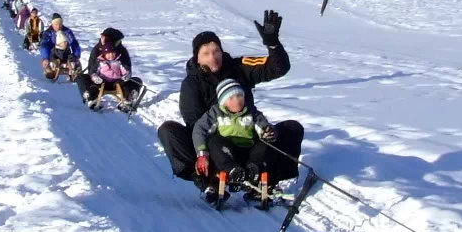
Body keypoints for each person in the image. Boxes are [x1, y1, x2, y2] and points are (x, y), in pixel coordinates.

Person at [156, 11, 305, 191]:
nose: (213, 57)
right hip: (214, 146)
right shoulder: (191, 83)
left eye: (216, 51)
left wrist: (272, 44)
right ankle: (206, 178)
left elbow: (277, 68)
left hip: (248, 138)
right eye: (206, 53)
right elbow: (195, 123)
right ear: (197, 57)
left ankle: (264, 179)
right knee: (168, 131)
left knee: (292, 129)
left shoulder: (238, 67)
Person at [191, 79, 279, 203]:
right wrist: (202, 153)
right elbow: (199, 129)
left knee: (264, 144)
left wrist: (268, 131)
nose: (237, 100)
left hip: (249, 152)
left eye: (240, 96)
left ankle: (253, 169)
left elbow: (263, 125)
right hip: (229, 153)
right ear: (223, 101)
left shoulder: (251, 112)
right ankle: (233, 171)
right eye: (231, 98)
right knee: (214, 141)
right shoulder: (216, 113)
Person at [79, 28, 134, 107]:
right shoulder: (97, 49)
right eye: (102, 37)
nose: (102, 39)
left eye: (104, 38)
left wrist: (127, 74)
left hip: (118, 81)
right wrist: (94, 76)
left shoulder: (121, 51)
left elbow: (127, 66)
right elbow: (91, 67)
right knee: (81, 77)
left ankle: (129, 97)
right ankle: (90, 96)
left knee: (136, 81)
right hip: (100, 80)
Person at [40, 13, 79, 79]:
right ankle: (50, 72)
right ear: (52, 24)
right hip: (53, 54)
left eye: (60, 24)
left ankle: (75, 72)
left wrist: (76, 54)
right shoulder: (48, 33)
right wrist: (45, 57)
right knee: (48, 62)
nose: (58, 26)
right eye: (56, 24)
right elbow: (44, 45)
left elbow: (74, 43)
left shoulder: (67, 31)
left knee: (73, 60)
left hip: (65, 52)